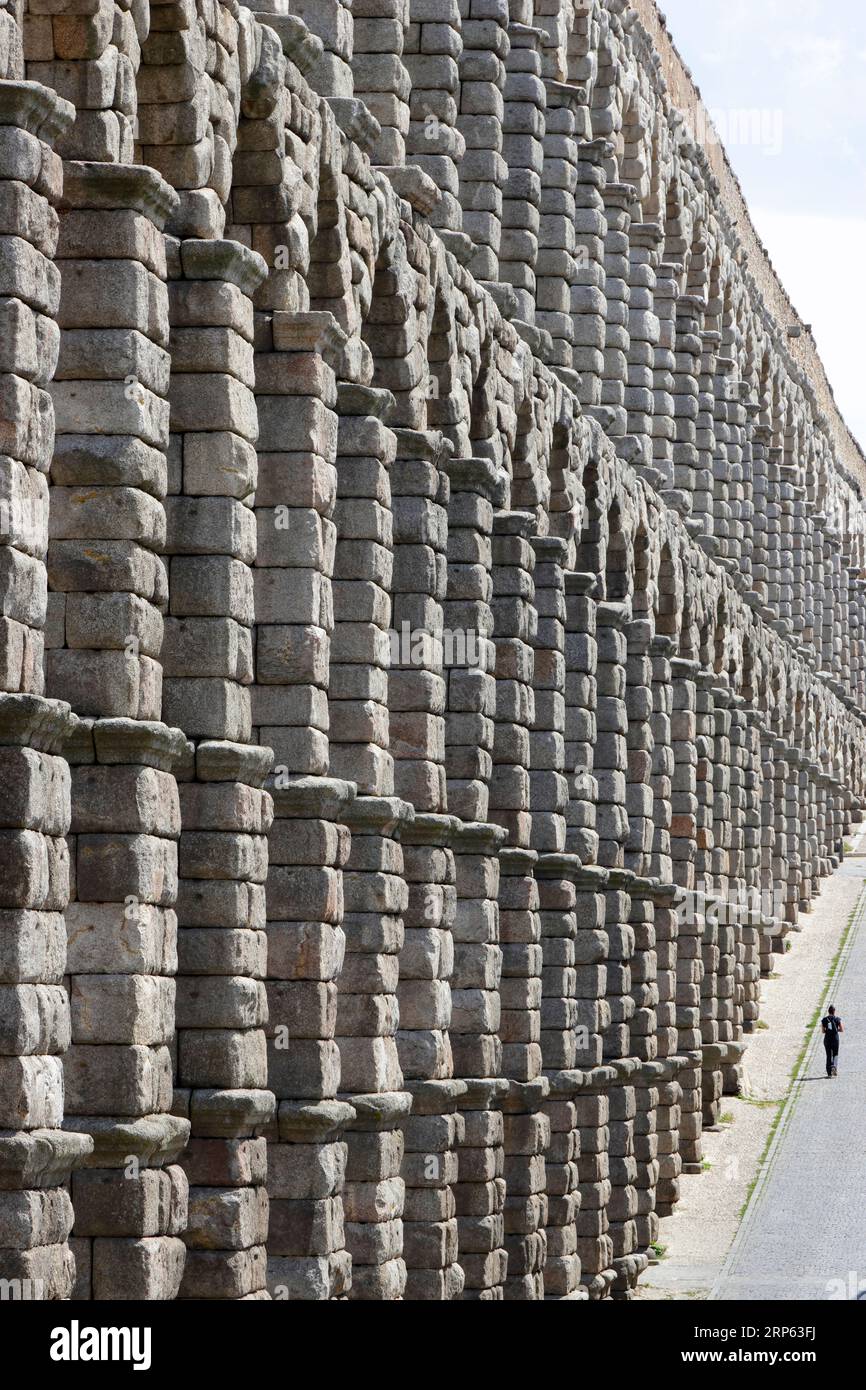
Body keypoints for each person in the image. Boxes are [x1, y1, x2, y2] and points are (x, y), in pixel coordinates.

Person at [821, 1005, 844, 1077]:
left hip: (827, 1039)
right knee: (835, 1054)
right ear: (834, 1011)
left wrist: (827, 1030)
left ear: (828, 1011)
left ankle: (829, 1073)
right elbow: (842, 1029)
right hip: (835, 1039)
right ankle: (834, 1067)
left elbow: (823, 1031)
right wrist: (837, 1030)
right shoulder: (837, 1019)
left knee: (828, 1055)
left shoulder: (824, 1020)